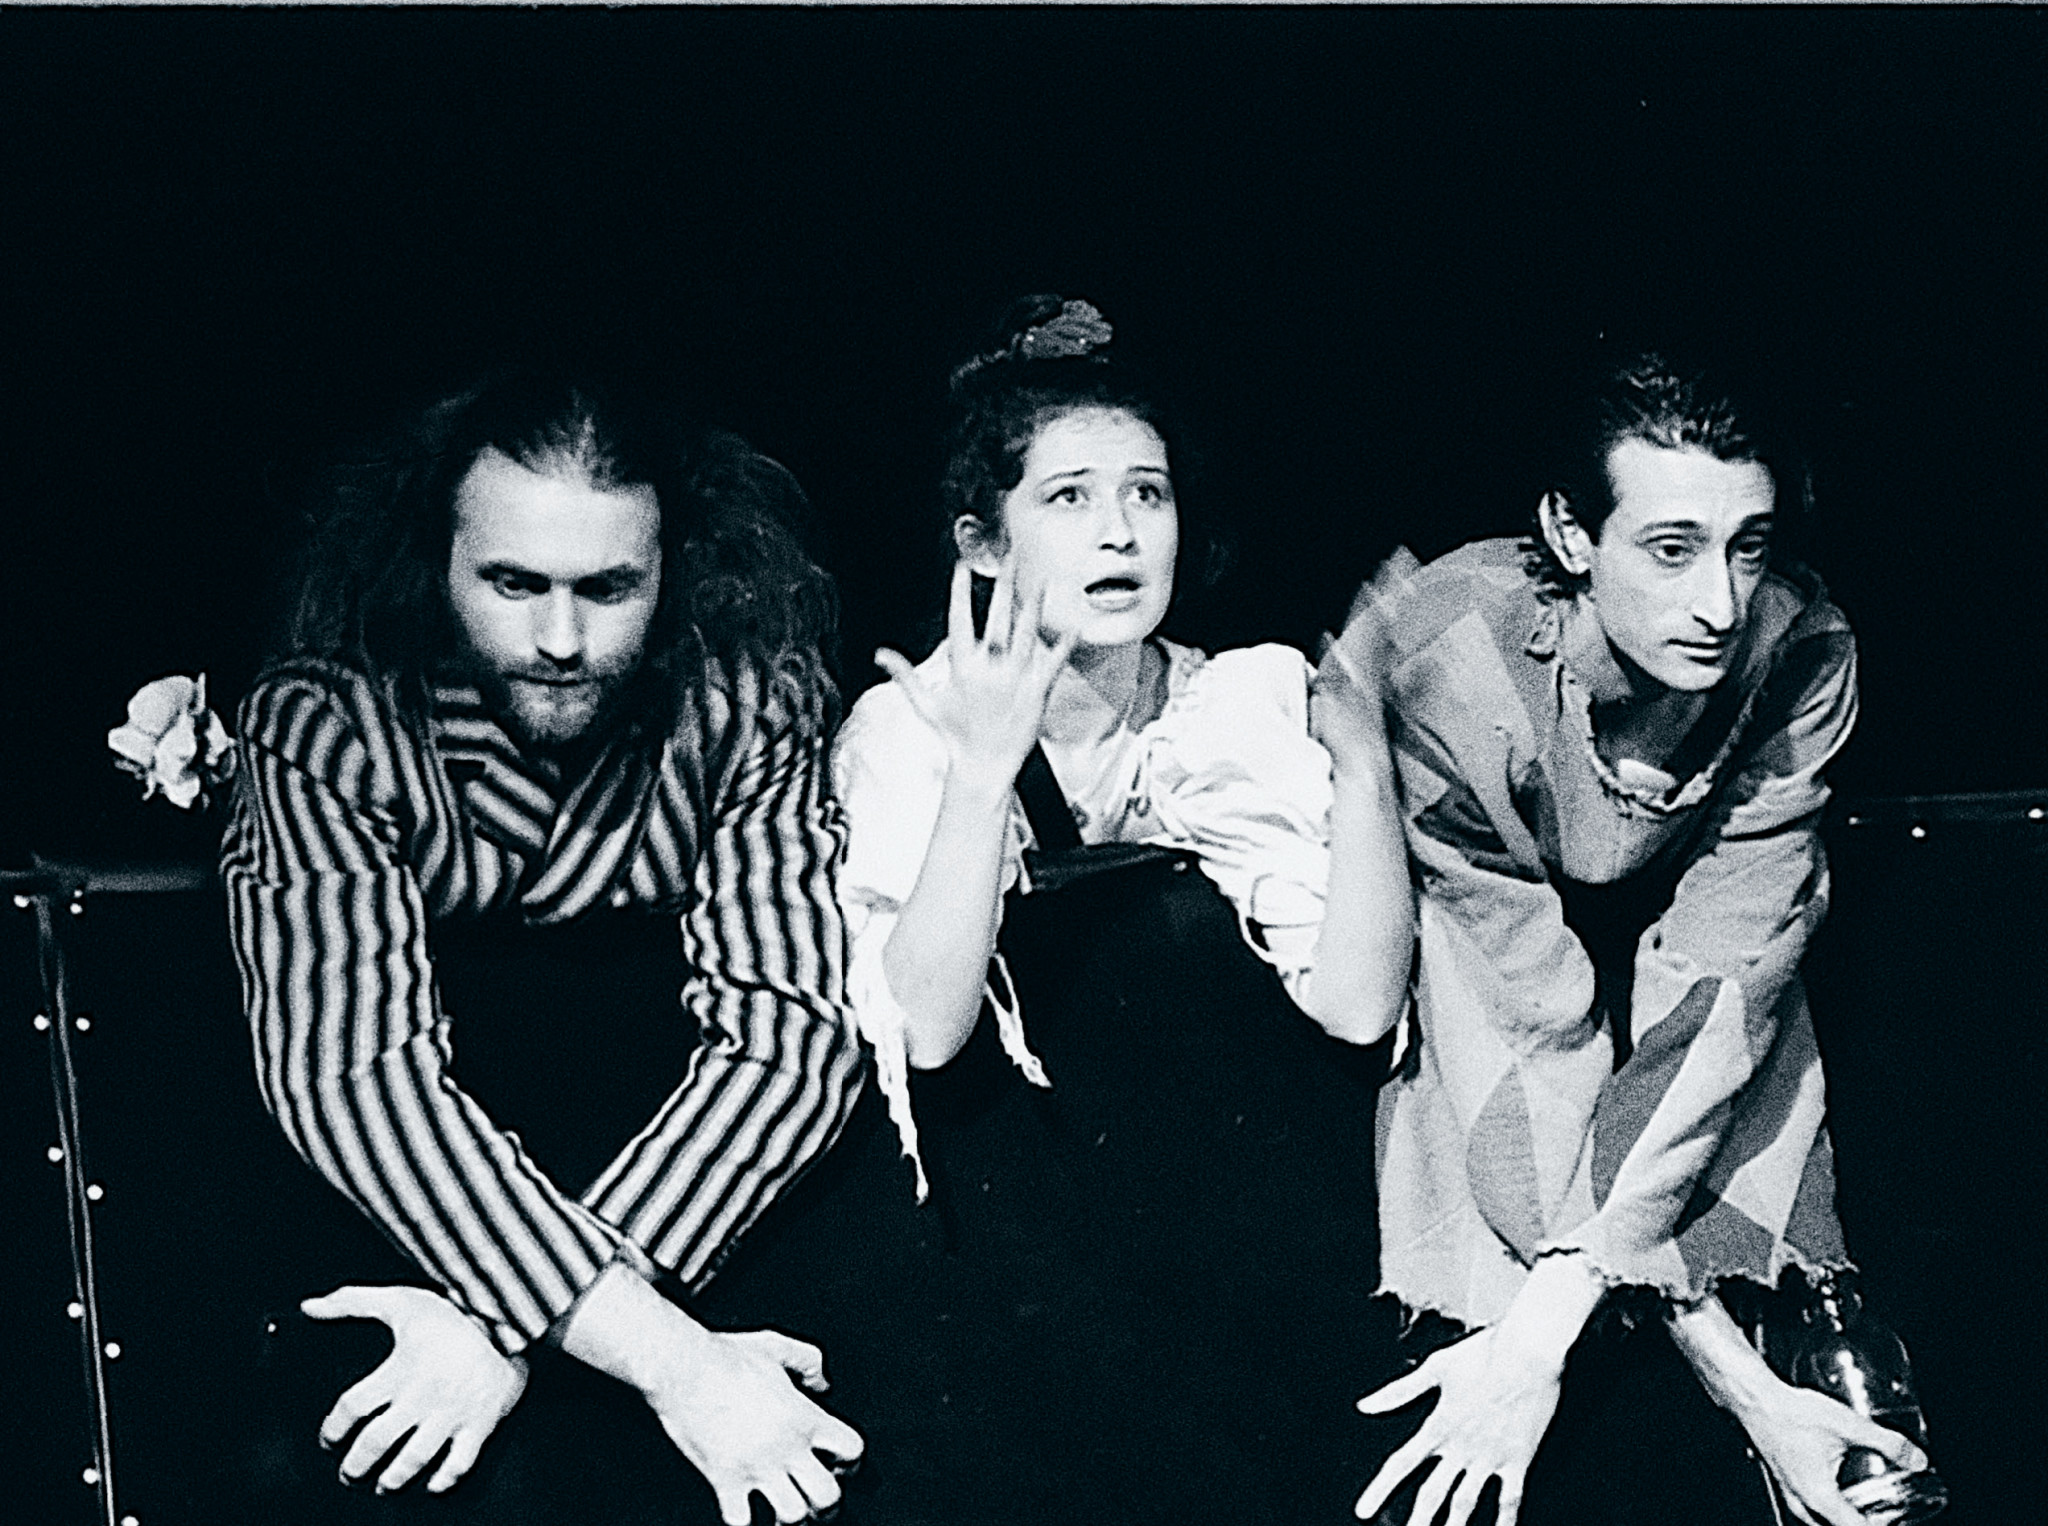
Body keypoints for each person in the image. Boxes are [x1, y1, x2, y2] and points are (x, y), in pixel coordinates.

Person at [702, 295, 1413, 1524]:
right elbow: (925, 1030)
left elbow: (1354, 1008)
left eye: (1147, 493)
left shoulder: (1238, 704)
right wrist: (984, 772)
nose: (1120, 531)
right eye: (1068, 497)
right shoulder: (908, 726)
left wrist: (1364, 771)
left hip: (1231, 1231)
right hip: (1010, 1248)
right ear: (982, 543)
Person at [218, 370, 865, 1525]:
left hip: (681, 1235)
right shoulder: (327, 723)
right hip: (399, 1243)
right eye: (512, 583)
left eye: (608, 588)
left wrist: (508, 1329)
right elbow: (351, 1075)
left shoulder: (748, 703)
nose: (560, 640)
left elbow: (794, 1038)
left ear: (673, 568)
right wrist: (677, 1363)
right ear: (435, 560)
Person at [1347, 354, 1937, 1526]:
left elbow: (1723, 984)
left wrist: (1549, 1329)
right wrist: (1717, 1381)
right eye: (1670, 548)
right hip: (1494, 962)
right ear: (1569, 533)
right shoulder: (1447, 655)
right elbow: (1517, 1015)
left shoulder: (1799, 647)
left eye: (1746, 546)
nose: (1719, 601)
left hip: (1692, 993)